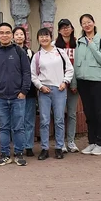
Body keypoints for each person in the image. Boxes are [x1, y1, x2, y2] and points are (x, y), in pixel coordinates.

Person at [0, 22, 30, 167]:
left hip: (18, 97)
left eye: (7, 32)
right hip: (0, 98)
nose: (4, 35)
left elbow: (26, 72)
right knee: (4, 127)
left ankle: (19, 154)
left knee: (18, 127)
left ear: (11, 35)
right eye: (1, 33)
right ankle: (5, 154)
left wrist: (23, 91)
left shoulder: (19, 52)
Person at [31, 28, 73, 160]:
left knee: (59, 119)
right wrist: (40, 86)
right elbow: (33, 75)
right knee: (44, 120)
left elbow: (69, 69)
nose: (44, 38)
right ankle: (44, 148)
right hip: (44, 91)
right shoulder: (37, 56)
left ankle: (59, 147)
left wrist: (65, 82)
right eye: (41, 36)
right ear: (38, 39)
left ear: (51, 37)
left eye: (46, 36)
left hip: (59, 90)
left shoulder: (60, 52)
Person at [74, 13, 101, 155]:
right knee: (89, 113)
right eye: (84, 23)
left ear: (94, 23)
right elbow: (77, 63)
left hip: (98, 81)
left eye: (89, 22)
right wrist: (74, 82)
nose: (87, 25)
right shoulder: (79, 42)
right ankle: (92, 142)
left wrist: (92, 45)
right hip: (83, 81)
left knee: (99, 112)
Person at [55, 18, 79, 153]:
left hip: (74, 83)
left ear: (72, 28)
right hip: (60, 84)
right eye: (62, 27)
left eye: (68, 27)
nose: (65, 29)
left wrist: (74, 82)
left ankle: (71, 141)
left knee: (72, 114)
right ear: (59, 30)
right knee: (60, 114)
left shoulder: (78, 43)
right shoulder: (55, 45)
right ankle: (61, 142)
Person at [13, 26, 37, 157]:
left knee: (29, 119)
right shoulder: (10, 52)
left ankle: (29, 146)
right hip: (14, 91)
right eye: (16, 34)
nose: (19, 36)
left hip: (30, 91)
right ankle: (18, 146)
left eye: (21, 34)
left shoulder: (31, 53)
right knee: (17, 120)